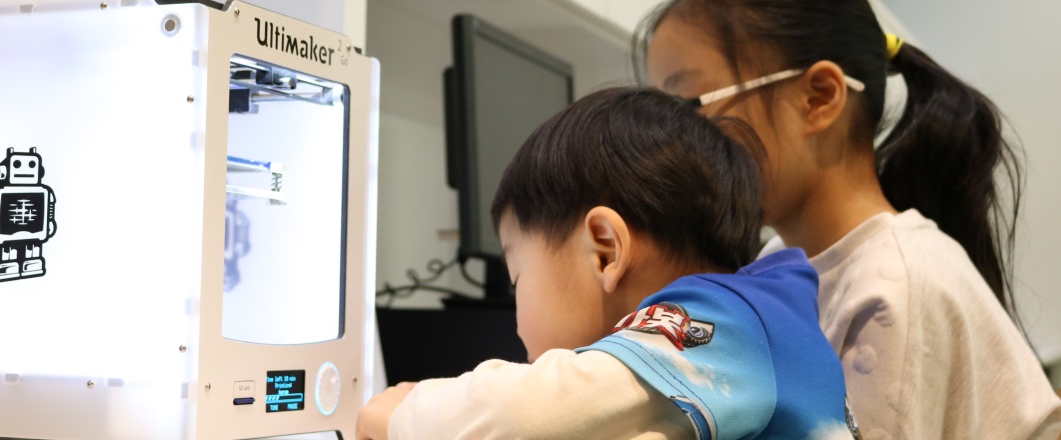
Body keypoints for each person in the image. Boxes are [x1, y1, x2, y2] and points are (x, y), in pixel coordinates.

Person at [638, 0, 1061, 437]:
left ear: (818, 97)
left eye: (689, 106)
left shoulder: (896, 282)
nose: (673, 143)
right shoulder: (780, 258)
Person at [356, 88, 859, 439]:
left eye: (517, 279)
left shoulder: (728, 329)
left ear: (605, 251)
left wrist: (402, 414)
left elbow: (531, 416)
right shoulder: (740, 340)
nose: (515, 316)